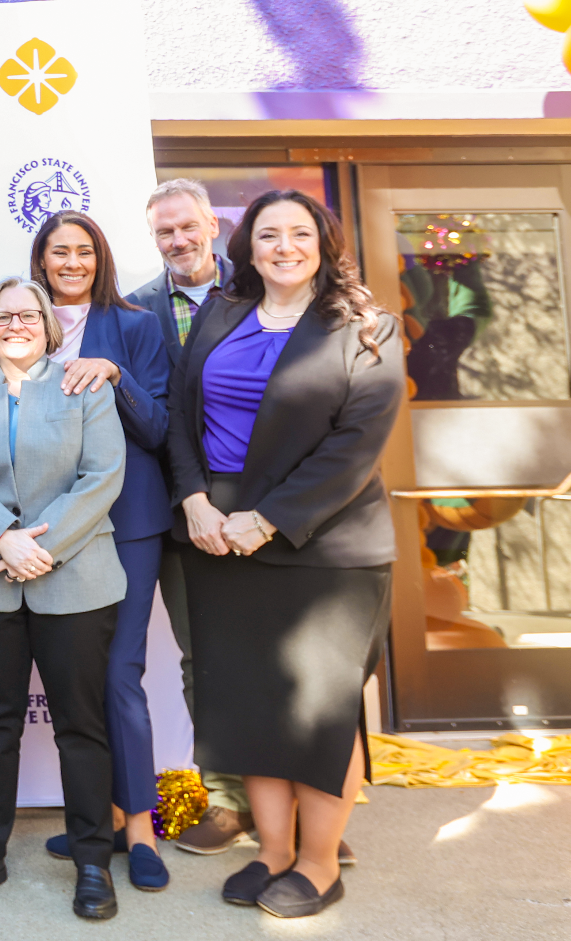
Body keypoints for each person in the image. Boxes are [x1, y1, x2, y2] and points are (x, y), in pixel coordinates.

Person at [167, 190, 403, 919]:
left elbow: (354, 446)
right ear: (247, 247)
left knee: (319, 712)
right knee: (249, 706)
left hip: (324, 544)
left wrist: (267, 518)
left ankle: (318, 861)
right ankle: (270, 851)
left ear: (323, 244)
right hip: (216, 538)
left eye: (300, 233)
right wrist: (196, 500)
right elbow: (180, 415)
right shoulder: (220, 312)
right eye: (268, 233)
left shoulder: (367, 327)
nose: (284, 246)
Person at [0, 276, 126, 919]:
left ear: (49, 326)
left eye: (28, 315)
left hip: (76, 578)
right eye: (1, 317)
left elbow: (102, 477)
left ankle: (93, 858)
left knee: (81, 722)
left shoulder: (84, 389)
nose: (15, 325)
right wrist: (2, 541)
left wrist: (39, 547)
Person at [31, 210, 174, 892]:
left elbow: (158, 427)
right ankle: (100, 818)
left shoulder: (137, 325)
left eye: (84, 251)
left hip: (128, 524)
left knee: (119, 674)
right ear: (41, 259)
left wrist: (115, 374)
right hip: (50, 524)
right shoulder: (21, 323)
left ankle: (140, 829)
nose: (72, 262)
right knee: (74, 680)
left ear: (100, 258)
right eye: (60, 251)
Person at [123, 179, 254, 856]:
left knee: (276, 659)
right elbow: (158, 417)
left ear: (212, 222)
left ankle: (294, 802)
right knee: (203, 660)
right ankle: (229, 799)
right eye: (163, 232)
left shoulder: (262, 287)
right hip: (179, 513)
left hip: (263, 508)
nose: (177, 240)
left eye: (186, 226)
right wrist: (191, 498)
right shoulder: (138, 308)